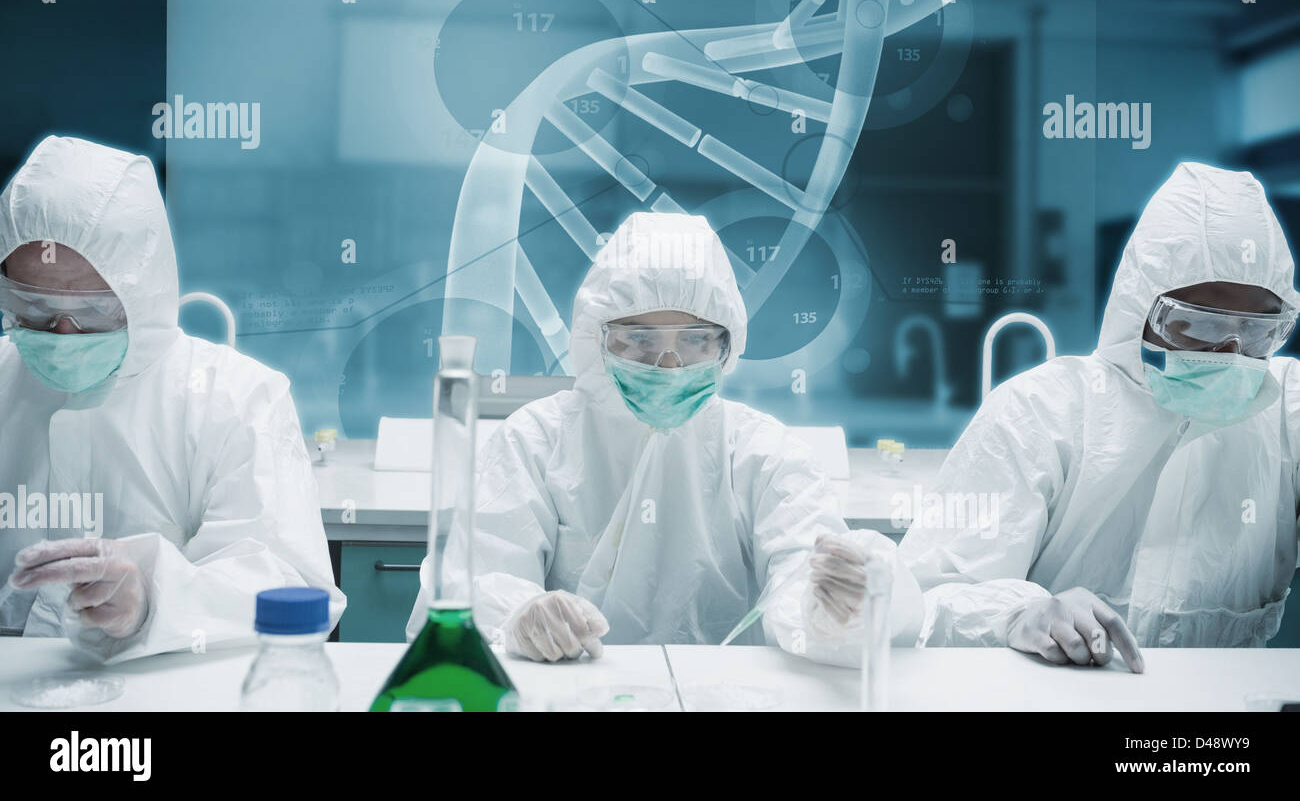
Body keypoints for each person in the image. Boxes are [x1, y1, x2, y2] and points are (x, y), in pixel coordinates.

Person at [406, 211, 922, 663]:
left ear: (727, 344)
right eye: (638, 340)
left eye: (695, 340)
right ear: (596, 340)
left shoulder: (762, 453)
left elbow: (804, 571)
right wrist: (519, 617)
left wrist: (836, 610)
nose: (668, 364)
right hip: (569, 694)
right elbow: (474, 578)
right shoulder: (536, 440)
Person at [900, 162, 1300, 669]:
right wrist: (1018, 613)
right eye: (1197, 325)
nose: (1231, 351)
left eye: (1258, 328)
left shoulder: (1287, 413)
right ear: (1142, 307)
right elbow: (929, 594)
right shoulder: (1042, 412)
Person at [0, 136, 343, 661]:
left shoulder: (236, 398)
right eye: (34, 307)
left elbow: (291, 584)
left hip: (166, 690)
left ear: (144, 291)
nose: (63, 334)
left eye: (92, 312)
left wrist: (152, 600)